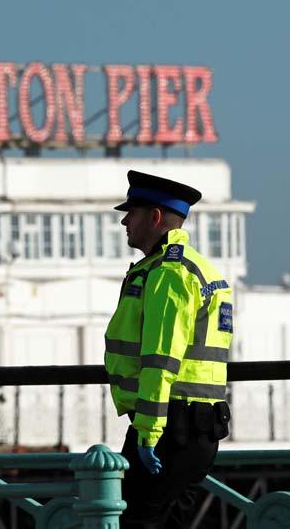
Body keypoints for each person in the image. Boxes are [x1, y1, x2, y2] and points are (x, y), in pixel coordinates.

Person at [104, 170, 233, 528]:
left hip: (169, 427)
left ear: (156, 217)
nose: (125, 221)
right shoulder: (199, 268)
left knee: (135, 522)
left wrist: (147, 432)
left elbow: (161, 360)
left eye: (133, 212)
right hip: (197, 428)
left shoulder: (168, 274)